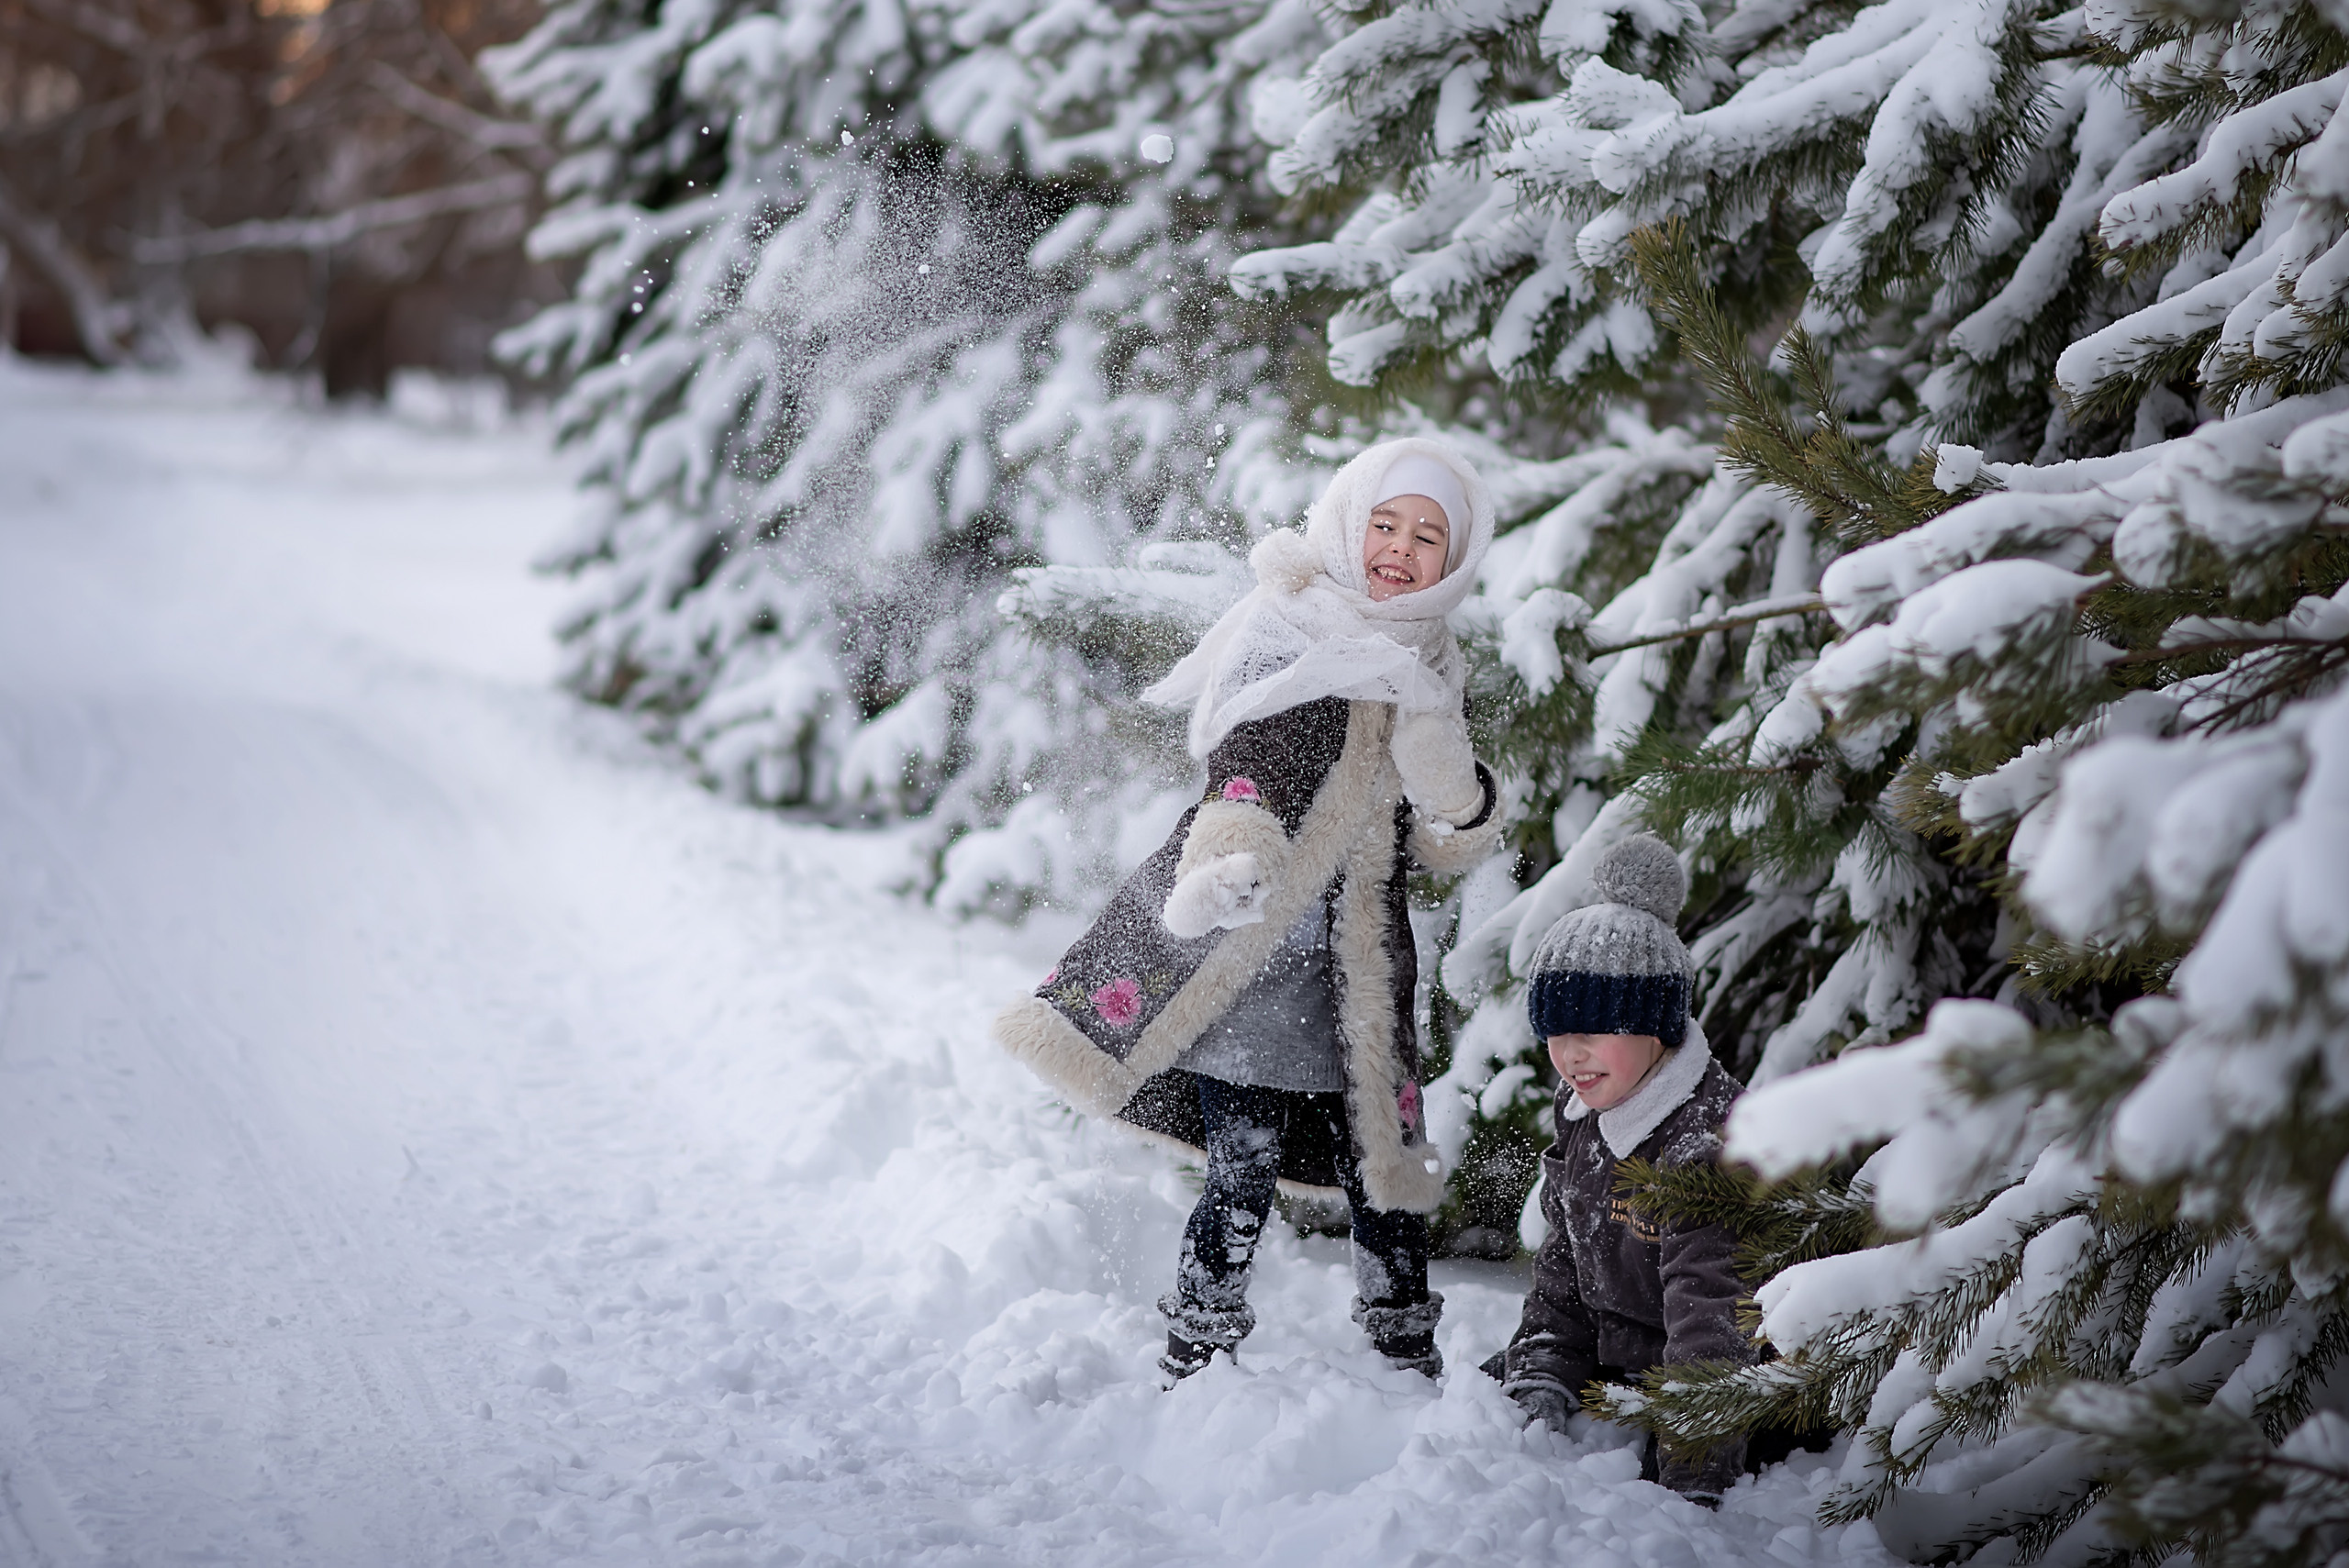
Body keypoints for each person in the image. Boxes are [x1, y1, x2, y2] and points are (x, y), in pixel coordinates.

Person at [992, 438, 1506, 1384]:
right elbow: (1246, 770)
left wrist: (1451, 780)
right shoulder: (1297, 626)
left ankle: (1403, 1351)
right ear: (1350, 526)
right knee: (1242, 1161)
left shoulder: (1432, 660)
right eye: (1383, 524)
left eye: (1427, 535)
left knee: (1381, 1169)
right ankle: (1198, 1338)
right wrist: (1229, 863)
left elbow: (1437, 840)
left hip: (1357, 971)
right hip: (1254, 957)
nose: (1400, 547)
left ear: (1456, 556)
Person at [1492, 833, 1753, 1504]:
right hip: (1623, 1364)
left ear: (1655, 1027)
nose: (1572, 1054)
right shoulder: (1585, 1106)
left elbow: (1711, 1313)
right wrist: (1544, 1365)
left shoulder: (1706, 1140)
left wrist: (1693, 1468)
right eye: (1556, 1031)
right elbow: (1567, 1256)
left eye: (1595, 1029)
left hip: (1724, 1388)